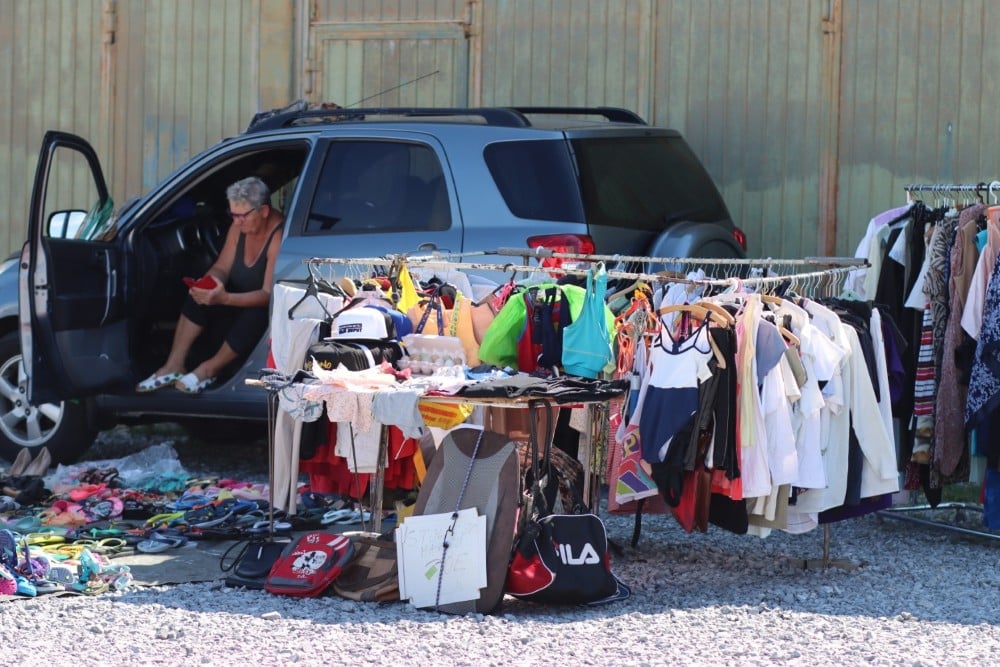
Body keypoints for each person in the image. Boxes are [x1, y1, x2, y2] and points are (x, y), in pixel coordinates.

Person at [136, 176, 285, 394]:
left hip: (258, 313)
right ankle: (173, 365)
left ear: (263, 211)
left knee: (257, 313)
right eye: (233, 215)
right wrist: (210, 283)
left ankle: (209, 369)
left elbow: (267, 294)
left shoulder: (278, 235)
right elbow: (222, 267)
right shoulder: (238, 227)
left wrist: (225, 298)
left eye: (242, 216)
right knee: (199, 293)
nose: (236, 222)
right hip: (232, 303)